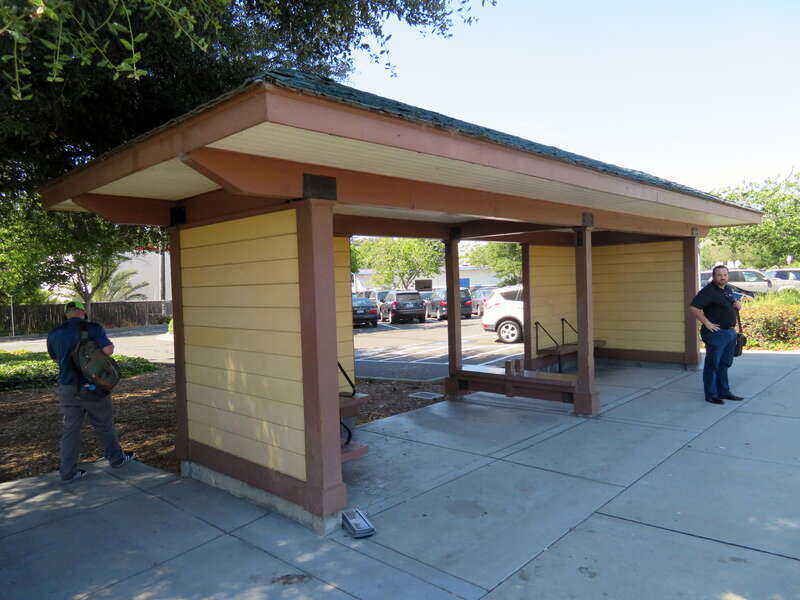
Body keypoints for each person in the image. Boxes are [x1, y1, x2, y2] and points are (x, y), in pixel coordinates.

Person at [47, 301, 135, 481]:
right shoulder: (92, 328)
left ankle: (67, 472)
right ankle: (116, 459)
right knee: (104, 424)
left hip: (67, 387)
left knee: (71, 429)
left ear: (66, 314)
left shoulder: (54, 333)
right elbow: (108, 350)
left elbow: (55, 359)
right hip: (92, 387)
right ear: (83, 312)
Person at [688, 265, 745, 405]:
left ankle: (724, 391)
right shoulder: (708, 291)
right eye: (719, 275)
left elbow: (730, 302)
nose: (722, 277)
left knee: (724, 363)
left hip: (730, 332)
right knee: (712, 364)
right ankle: (711, 394)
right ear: (714, 276)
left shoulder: (727, 289)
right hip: (716, 334)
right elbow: (693, 307)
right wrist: (707, 323)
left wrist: (736, 304)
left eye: (725, 274)